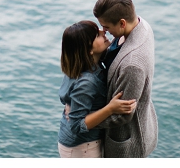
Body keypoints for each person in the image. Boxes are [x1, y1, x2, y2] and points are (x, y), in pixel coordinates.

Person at [92, 0, 158, 157]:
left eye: (106, 26)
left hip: (127, 142)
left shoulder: (132, 64)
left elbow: (121, 116)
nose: (104, 31)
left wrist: (86, 121)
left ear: (122, 23)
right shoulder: (141, 25)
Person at [58, 20, 137, 158]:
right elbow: (77, 126)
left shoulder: (78, 66)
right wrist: (110, 109)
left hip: (74, 143)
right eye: (96, 34)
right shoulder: (86, 82)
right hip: (82, 148)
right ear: (89, 50)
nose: (103, 31)